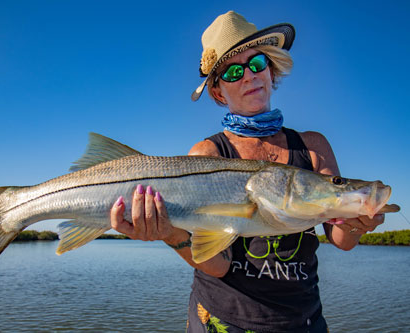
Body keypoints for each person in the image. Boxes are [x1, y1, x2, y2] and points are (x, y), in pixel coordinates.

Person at [109, 11, 385, 332]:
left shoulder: (312, 146)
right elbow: (217, 264)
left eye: (256, 64)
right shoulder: (207, 153)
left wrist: (358, 222)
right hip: (221, 320)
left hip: (303, 319)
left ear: (270, 70)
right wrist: (171, 234)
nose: (249, 76)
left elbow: (341, 238)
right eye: (232, 71)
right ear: (217, 92)